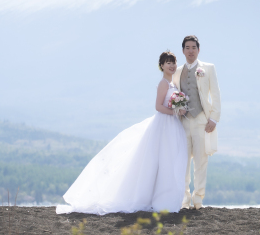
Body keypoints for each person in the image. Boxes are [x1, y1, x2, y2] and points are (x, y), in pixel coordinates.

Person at [56, 51, 188, 214]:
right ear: (161, 66)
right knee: (159, 160)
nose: (172, 65)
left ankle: (165, 198)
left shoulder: (173, 84)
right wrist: (176, 112)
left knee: (169, 161)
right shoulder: (164, 84)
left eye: (173, 62)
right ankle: (156, 199)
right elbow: (158, 107)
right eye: (168, 63)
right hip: (163, 125)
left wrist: (179, 109)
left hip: (172, 126)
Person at [172, 35, 221, 209]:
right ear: (183, 50)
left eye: (194, 47)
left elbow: (215, 95)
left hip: (202, 120)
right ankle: (184, 198)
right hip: (183, 122)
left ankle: (198, 198)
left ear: (198, 50)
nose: (190, 51)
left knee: (201, 161)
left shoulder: (208, 68)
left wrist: (214, 118)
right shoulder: (177, 72)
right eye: (187, 47)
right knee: (183, 161)